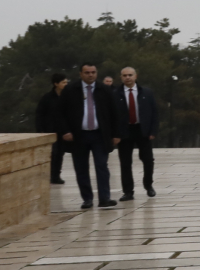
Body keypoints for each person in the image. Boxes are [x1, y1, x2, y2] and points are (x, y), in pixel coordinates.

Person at [55, 63, 123, 209]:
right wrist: (65, 131)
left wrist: (116, 134)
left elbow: (115, 112)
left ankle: (104, 198)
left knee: (101, 166)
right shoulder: (70, 90)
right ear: (80, 74)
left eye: (93, 72)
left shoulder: (104, 89)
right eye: (87, 72)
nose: (90, 75)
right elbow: (60, 113)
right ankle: (87, 199)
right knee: (81, 168)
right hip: (79, 136)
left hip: (100, 135)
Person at [115, 67, 161, 199]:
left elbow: (154, 113)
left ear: (136, 76)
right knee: (125, 162)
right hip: (125, 131)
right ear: (121, 77)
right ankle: (128, 191)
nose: (127, 77)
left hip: (142, 130)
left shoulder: (146, 92)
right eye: (124, 75)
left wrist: (153, 131)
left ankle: (148, 185)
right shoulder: (115, 94)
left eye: (130, 75)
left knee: (148, 160)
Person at [36, 74, 68, 184]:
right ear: (56, 84)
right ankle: (49, 175)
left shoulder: (66, 97)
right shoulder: (47, 98)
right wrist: (40, 130)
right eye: (63, 82)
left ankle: (56, 176)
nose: (66, 84)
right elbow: (39, 114)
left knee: (60, 153)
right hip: (50, 130)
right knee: (52, 153)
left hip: (62, 131)